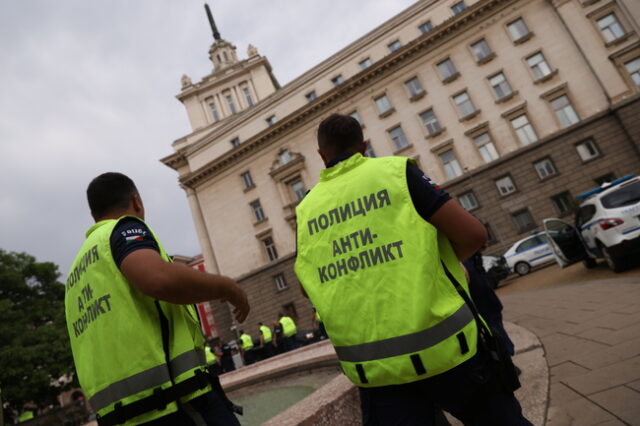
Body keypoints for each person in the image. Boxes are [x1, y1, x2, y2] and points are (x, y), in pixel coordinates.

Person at [294, 114, 532, 425]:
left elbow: (307, 283)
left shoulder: (307, 208)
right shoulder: (395, 172)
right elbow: (473, 235)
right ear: (364, 146)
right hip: (450, 352)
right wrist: (441, 265)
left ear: (321, 155)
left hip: (376, 373)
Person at [64, 172, 249, 426]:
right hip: (175, 403)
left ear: (93, 215)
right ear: (136, 202)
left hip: (120, 417)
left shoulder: (77, 273)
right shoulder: (124, 229)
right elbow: (158, 279)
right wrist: (228, 288)